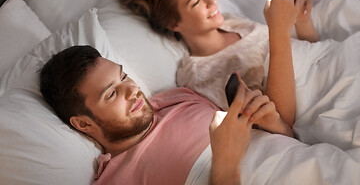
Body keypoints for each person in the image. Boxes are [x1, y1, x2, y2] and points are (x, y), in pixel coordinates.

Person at [40, 45, 292, 185]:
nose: (132, 90)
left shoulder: (178, 97)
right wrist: (225, 164)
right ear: (83, 123)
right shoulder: (116, 181)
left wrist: (273, 122)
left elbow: (289, 142)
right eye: (111, 94)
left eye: (124, 76)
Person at [119, 0, 320, 128]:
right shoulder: (199, 75)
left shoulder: (232, 21)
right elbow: (280, 120)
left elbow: (309, 51)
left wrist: (302, 22)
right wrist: (280, 31)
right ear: (173, 24)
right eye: (196, 2)